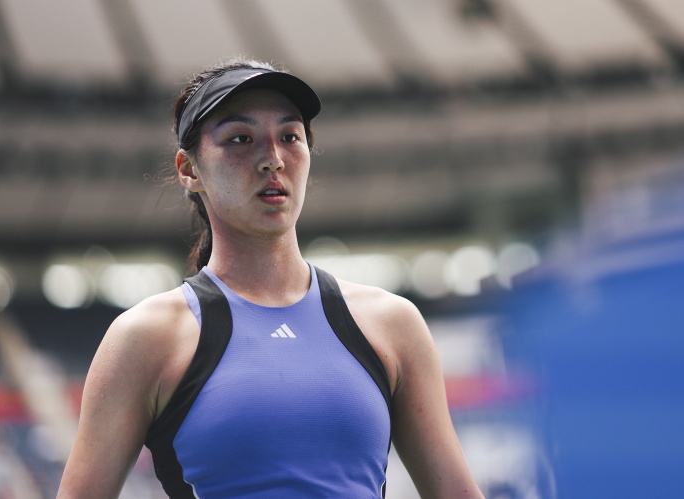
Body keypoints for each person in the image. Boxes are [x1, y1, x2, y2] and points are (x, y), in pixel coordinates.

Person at [57, 57, 483, 499]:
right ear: (189, 169)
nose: (272, 160)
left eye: (290, 137)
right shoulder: (147, 337)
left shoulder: (391, 324)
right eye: (241, 139)